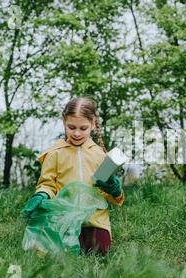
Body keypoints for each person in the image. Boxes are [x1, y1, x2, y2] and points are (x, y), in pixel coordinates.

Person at [21, 96, 124, 255]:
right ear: (63, 122)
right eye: (71, 127)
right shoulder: (55, 153)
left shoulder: (99, 155)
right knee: (68, 251)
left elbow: (109, 196)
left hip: (94, 217)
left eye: (83, 128)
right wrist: (41, 195)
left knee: (99, 249)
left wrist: (115, 191)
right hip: (65, 216)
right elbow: (47, 184)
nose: (76, 133)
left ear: (93, 123)